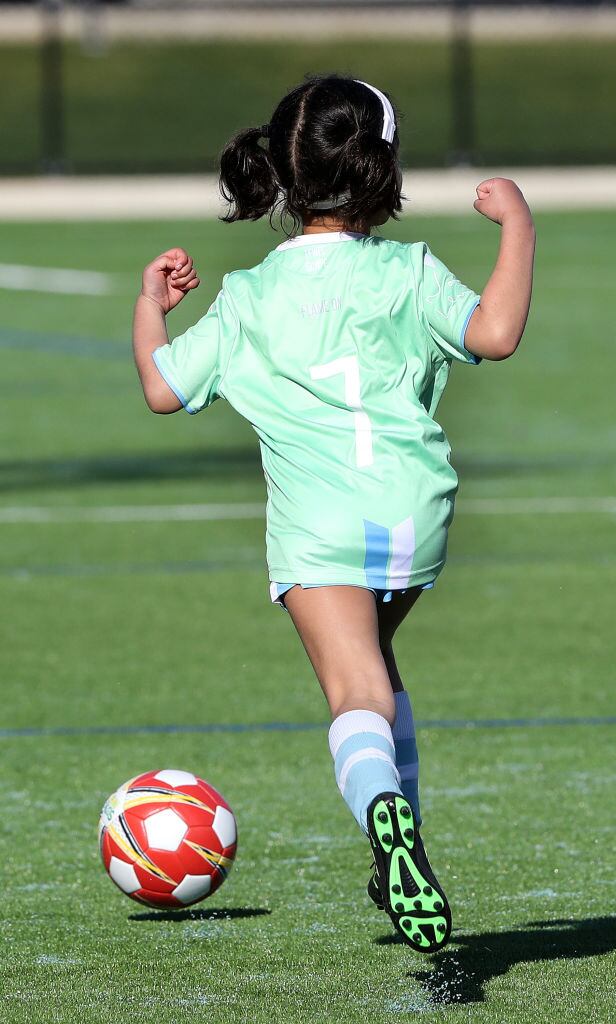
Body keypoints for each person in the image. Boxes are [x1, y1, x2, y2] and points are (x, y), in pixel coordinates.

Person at [131, 74, 535, 953]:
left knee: (354, 691)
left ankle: (387, 819)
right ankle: (403, 845)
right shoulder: (408, 270)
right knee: (380, 675)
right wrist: (518, 226)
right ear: (382, 171)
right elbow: (496, 333)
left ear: (282, 171)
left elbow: (162, 389)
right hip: (414, 515)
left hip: (321, 530)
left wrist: (150, 309)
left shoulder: (247, 298)